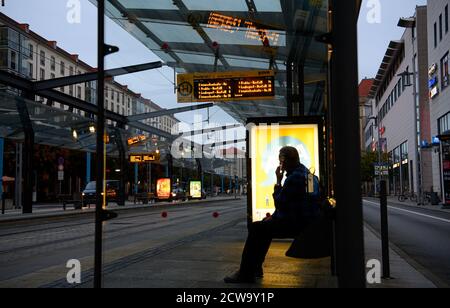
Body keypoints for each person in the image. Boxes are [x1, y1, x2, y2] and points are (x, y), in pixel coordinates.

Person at [224, 146, 320, 283]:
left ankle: (245, 273)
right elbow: (298, 203)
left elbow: (280, 203)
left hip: (296, 223)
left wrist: (278, 181)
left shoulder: (294, 178)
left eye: (280, 159)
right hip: (306, 221)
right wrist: (273, 218)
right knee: (264, 223)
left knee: (256, 228)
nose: (280, 163)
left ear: (284, 160)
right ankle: (255, 268)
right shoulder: (308, 175)